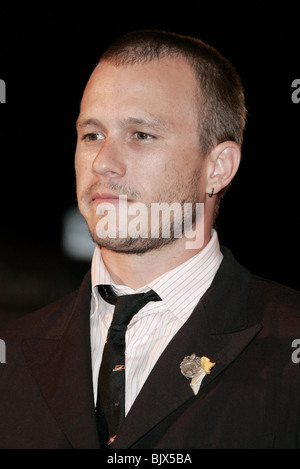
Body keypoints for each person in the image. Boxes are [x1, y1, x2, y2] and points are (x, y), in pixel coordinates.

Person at [0, 30, 299, 450]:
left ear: (218, 167)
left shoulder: (288, 345)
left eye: (140, 135)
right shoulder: (9, 355)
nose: (103, 162)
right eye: (92, 134)